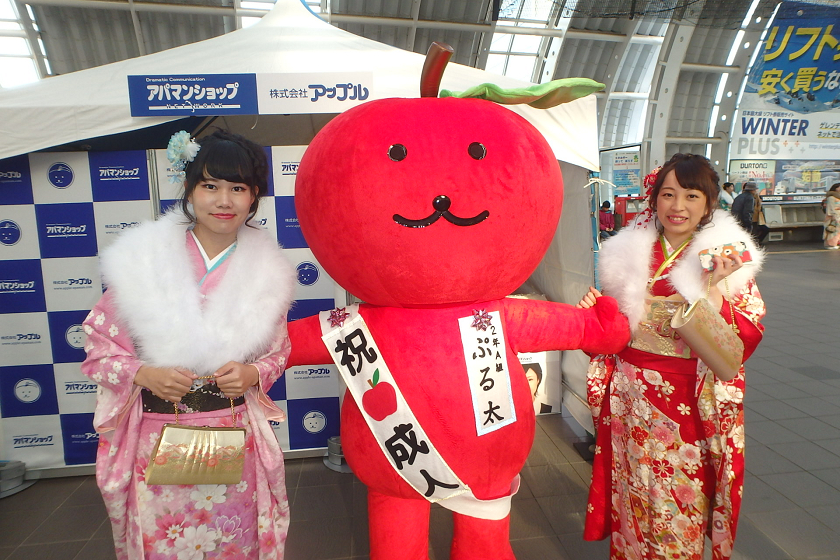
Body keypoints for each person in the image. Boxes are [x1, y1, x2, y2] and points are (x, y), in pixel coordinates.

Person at [81, 130, 295, 560]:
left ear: (254, 197)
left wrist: (253, 373)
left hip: (233, 433)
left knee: (235, 540)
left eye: (238, 188)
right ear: (189, 188)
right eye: (210, 186)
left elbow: (278, 352)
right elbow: (99, 348)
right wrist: (144, 373)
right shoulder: (144, 261)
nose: (224, 200)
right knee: (167, 542)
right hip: (159, 435)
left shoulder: (268, 272)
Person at [578, 153, 766, 560]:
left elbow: (747, 332)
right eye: (668, 194)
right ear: (654, 199)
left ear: (709, 203)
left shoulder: (725, 256)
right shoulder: (627, 254)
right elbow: (612, 334)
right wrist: (596, 314)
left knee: (678, 494)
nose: (677, 206)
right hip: (631, 396)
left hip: (687, 399)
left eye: (691, 196)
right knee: (633, 487)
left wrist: (714, 292)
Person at [823, 183, 840, 249]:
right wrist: (833, 216)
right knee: (832, 230)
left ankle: (837, 243)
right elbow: (830, 208)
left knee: (838, 231)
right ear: (835, 188)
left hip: (838, 215)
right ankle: (831, 244)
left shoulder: (838, 197)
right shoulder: (831, 197)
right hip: (834, 216)